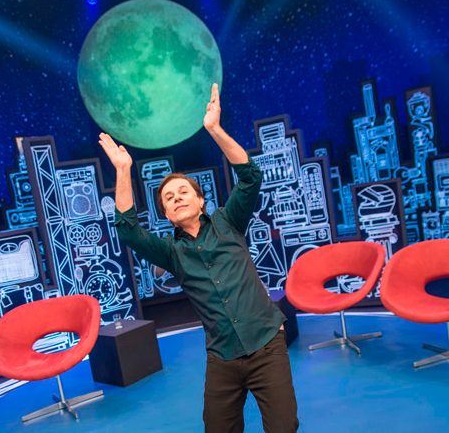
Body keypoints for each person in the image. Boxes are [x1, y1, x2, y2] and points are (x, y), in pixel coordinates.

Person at [98, 83, 299, 433]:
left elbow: (250, 177)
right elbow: (128, 231)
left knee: (284, 428)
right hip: (223, 358)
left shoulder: (228, 221)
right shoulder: (171, 252)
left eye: (183, 192)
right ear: (166, 214)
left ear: (201, 200)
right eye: (168, 198)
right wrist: (123, 169)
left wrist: (215, 129)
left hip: (266, 344)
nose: (176, 198)